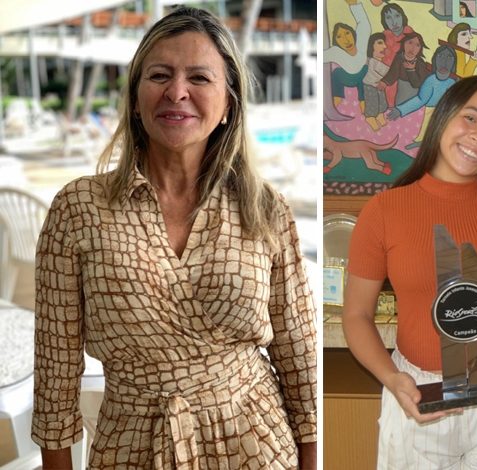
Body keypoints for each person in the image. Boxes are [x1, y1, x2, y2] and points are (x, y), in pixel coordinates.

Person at [32, 7, 317, 469]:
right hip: (132, 448)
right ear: (136, 97)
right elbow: (55, 372)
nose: (177, 91)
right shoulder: (79, 208)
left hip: (258, 445)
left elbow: (299, 352)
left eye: (200, 78)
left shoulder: (264, 208)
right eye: (159, 75)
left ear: (229, 104)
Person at [343, 75, 477, 469]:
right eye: (470, 118)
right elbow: (356, 316)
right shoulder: (384, 211)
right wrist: (392, 379)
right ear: (444, 115)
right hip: (419, 392)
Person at [325, 0, 371, 111]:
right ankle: (336, 101)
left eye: (347, 33)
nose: (345, 40)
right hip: (346, 77)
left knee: (366, 72)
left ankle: (366, 111)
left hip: (362, 75)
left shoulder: (361, 42)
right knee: (336, 74)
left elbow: (363, 23)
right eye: (339, 37)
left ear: (352, 33)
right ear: (336, 42)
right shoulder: (336, 52)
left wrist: (353, 4)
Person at [361, 32, 391, 130]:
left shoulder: (378, 61)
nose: (384, 46)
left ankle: (380, 114)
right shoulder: (371, 61)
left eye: (384, 43)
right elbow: (386, 71)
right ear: (371, 46)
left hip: (378, 86)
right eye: (380, 43)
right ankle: (370, 118)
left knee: (382, 102)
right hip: (369, 86)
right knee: (372, 103)